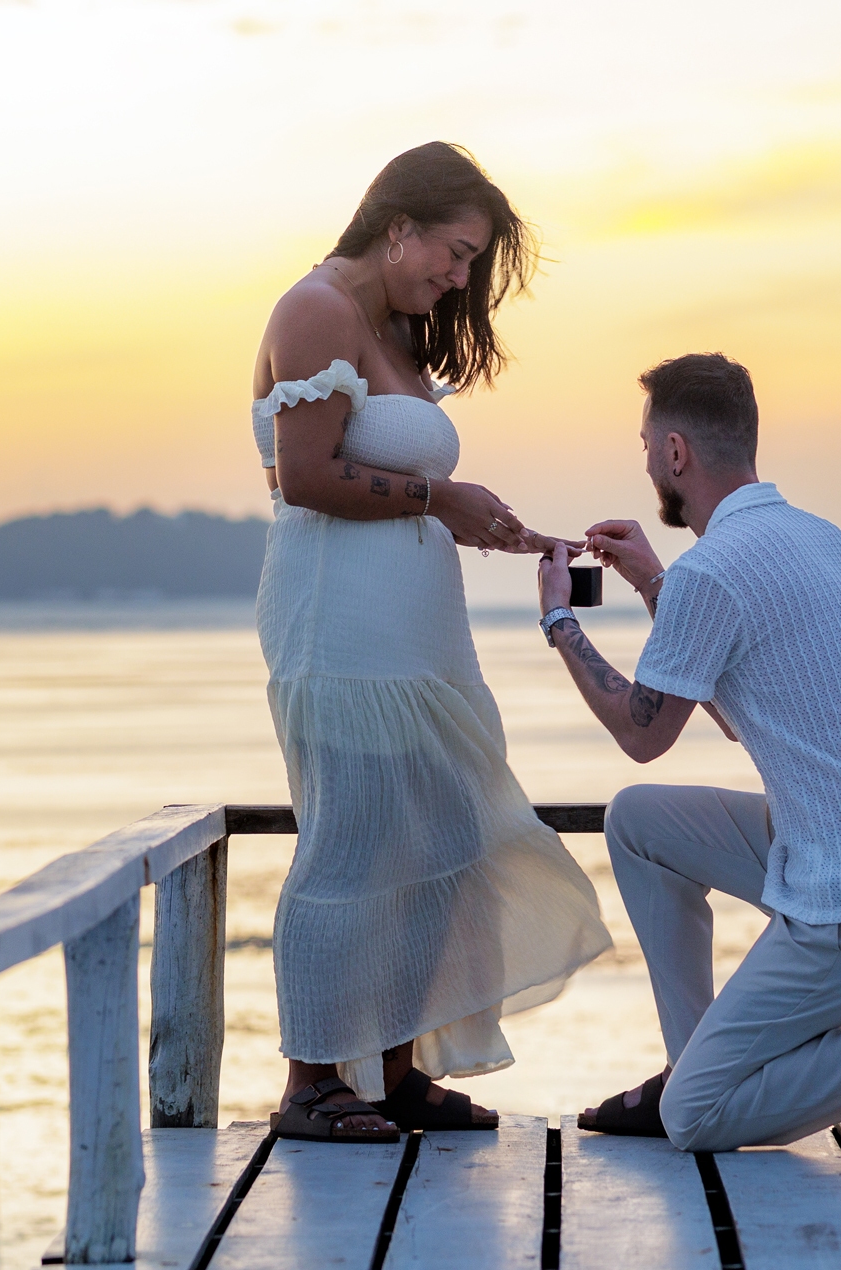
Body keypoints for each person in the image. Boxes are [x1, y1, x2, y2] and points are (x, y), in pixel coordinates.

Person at [534, 352, 841, 1154]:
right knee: (638, 824)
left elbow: (642, 734)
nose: (648, 458)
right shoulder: (820, 540)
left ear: (674, 454)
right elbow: (737, 711)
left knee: (696, 1120)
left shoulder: (716, 572)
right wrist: (655, 584)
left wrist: (560, 623)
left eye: (646, 442)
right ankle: (691, 1062)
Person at [252, 142, 612, 1144]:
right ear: (398, 225)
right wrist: (437, 496)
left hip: (418, 631)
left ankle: (395, 1065)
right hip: (341, 624)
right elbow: (308, 475)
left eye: (472, 262)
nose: (460, 278)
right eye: (455, 253)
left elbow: (407, 489)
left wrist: (488, 524)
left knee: (444, 831)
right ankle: (312, 1083)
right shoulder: (316, 310)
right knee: (354, 839)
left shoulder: (396, 328)